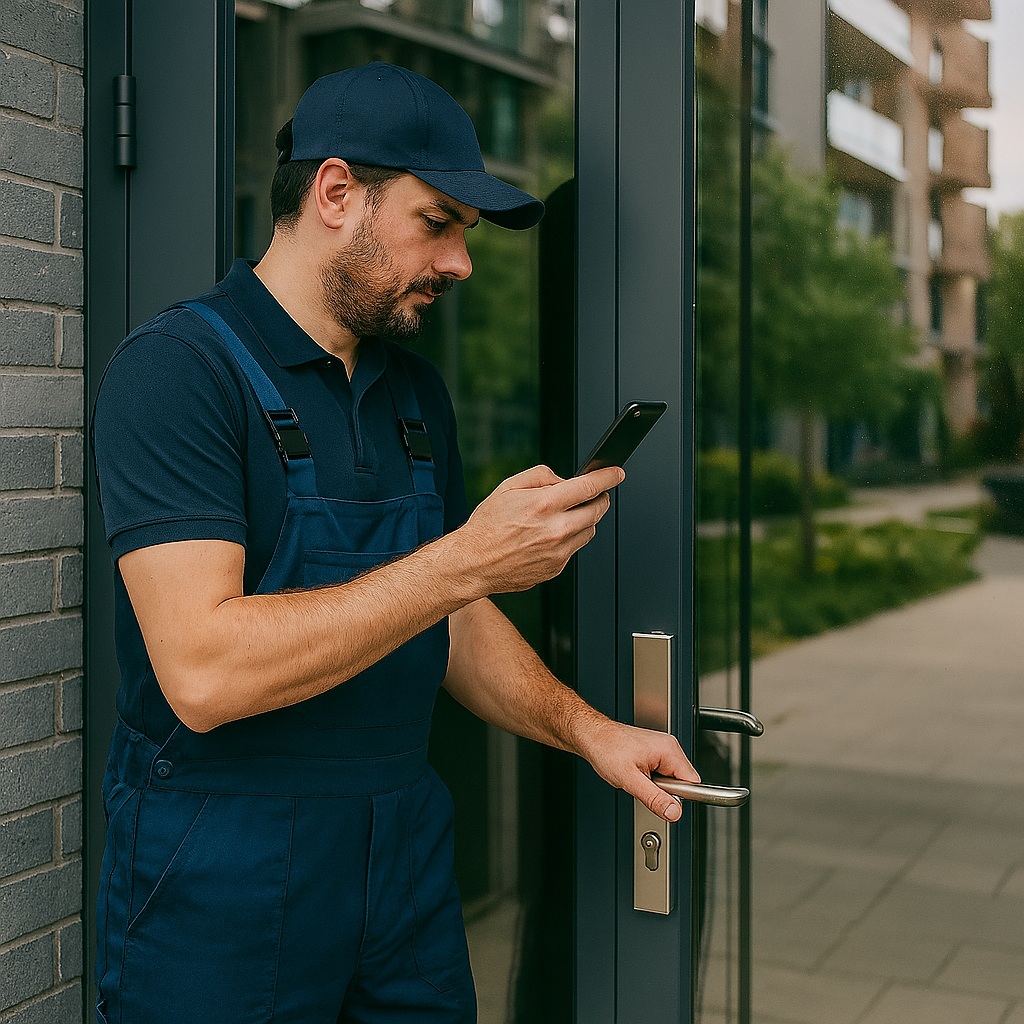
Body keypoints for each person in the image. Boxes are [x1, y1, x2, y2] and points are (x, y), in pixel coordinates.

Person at [91, 62, 699, 1024]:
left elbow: (449, 620)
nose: (461, 261)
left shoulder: (414, 397)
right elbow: (203, 672)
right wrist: (466, 559)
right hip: (221, 871)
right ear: (337, 193)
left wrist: (593, 732)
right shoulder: (177, 373)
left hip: (402, 857)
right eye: (438, 221)